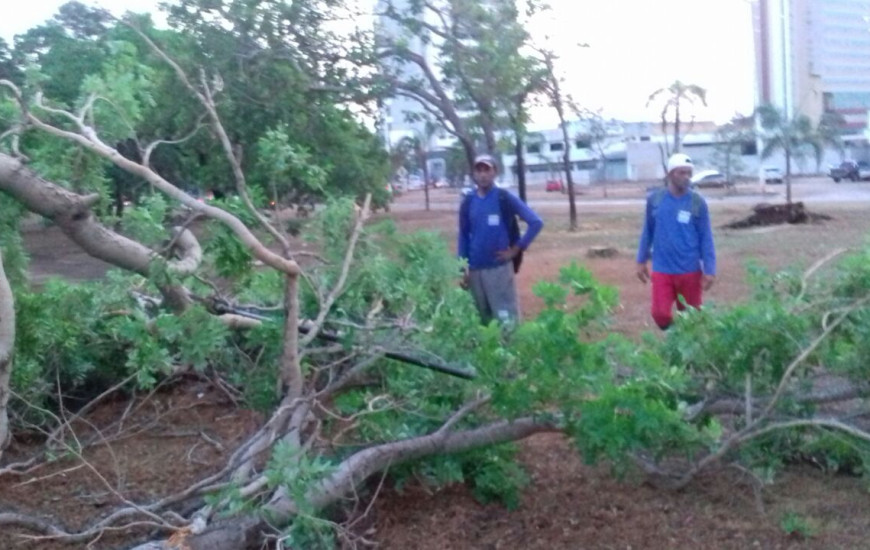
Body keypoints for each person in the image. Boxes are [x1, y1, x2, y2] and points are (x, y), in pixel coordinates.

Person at [458, 154, 543, 324]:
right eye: (479, 170)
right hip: (475, 271)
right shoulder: (468, 201)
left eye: (487, 170)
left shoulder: (504, 197)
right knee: (482, 320)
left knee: (506, 319)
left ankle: (511, 350)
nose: (483, 174)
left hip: (499, 270)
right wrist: (462, 267)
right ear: (474, 174)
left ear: (494, 172)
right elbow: (463, 235)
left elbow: (535, 223)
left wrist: (515, 250)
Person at [636, 153, 716, 329]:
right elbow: (647, 231)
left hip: (690, 271)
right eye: (682, 173)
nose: (686, 177)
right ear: (670, 174)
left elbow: (706, 237)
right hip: (662, 269)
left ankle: (687, 350)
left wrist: (710, 269)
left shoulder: (697, 202)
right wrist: (641, 260)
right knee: (660, 314)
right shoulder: (655, 200)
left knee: (692, 320)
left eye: (689, 173)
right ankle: (674, 337)